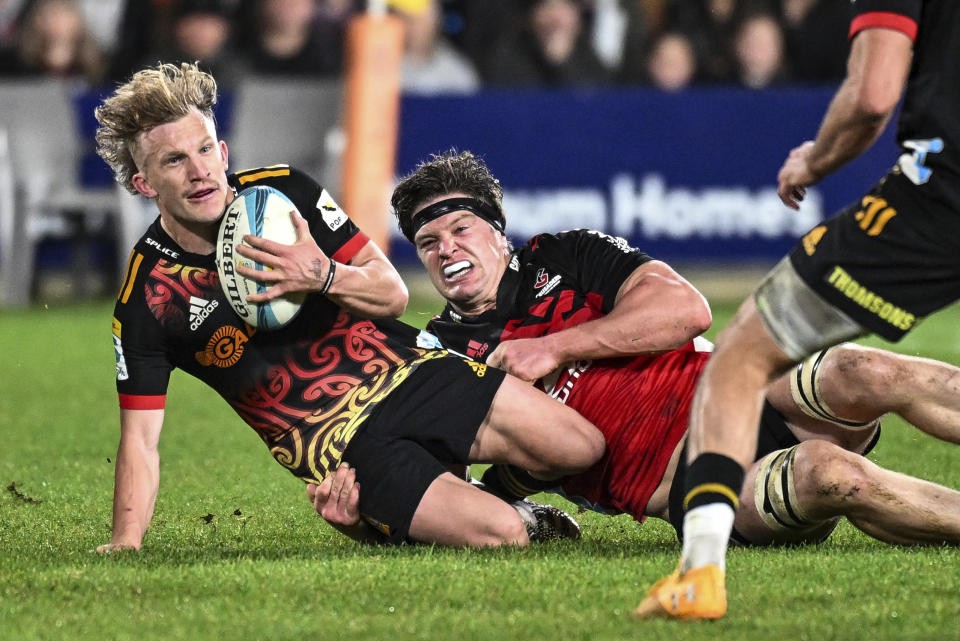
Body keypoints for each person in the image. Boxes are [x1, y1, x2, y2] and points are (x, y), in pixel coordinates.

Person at [313, 150, 960, 564]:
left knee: (859, 367)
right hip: (689, 482)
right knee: (829, 473)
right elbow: (447, 493)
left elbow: (688, 311)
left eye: (459, 228)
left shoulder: (564, 255)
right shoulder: (438, 354)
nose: (446, 249)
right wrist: (363, 524)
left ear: (497, 230)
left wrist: (553, 346)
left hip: (735, 394)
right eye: (427, 242)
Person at [93, 62, 606, 553]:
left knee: (580, 447)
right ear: (144, 184)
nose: (199, 171)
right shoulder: (148, 298)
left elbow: (392, 293)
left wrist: (321, 274)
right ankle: (487, 513)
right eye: (174, 160)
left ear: (224, 150)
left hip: (414, 374)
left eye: (204, 149)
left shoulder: (285, 194)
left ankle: (461, 496)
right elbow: (140, 440)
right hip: (343, 448)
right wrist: (125, 541)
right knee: (503, 536)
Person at [639, 0, 960, 621]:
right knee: (861, 378)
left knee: (739, 358)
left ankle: (699, 573)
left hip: (939, 196)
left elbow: (872, 95)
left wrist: (814, 160)